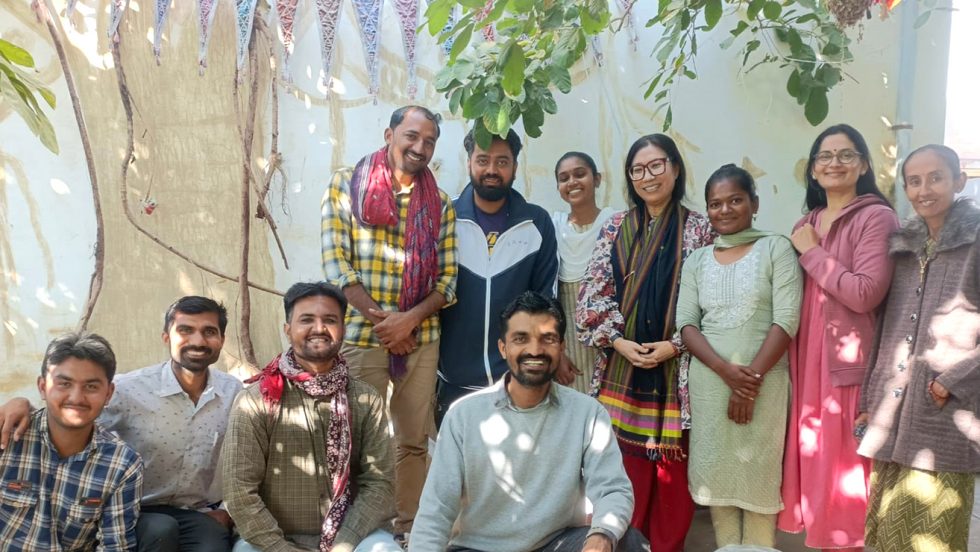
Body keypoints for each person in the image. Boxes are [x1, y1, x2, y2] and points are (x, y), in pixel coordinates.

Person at [410, 291, 649, 552]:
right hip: (478, 548)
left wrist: (601, 536)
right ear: (503, 348)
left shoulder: (587, 414)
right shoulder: (464, 416)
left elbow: (613, 490)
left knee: (628, 543)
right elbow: (436, 510)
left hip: (555, 543)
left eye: (547, 339)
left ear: (561, 347)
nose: (535, 350)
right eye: (521, 339)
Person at [0, 296, 242, 552]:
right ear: (166, 337)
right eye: (185, 330)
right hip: (137, 505)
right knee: (160, 530)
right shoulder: (130, 389)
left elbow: (250, 457)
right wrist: (19, 404)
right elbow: (66, 417)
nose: (197, 341)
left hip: (191, 510)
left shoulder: (234, 393)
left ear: (222, 340)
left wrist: (227, 509)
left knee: (212, 543)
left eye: (209, 332)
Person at [321, 105, 457, 541]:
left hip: (423, 338)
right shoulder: (347, 185)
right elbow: (337, 265)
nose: (420, 147)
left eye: (430, 141)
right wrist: (387, 326)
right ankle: (363, 534)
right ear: (389, 134)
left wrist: (409, 323)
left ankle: (408, 533)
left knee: (412, 442)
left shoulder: (440, 203)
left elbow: (449, 282)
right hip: (363, 337)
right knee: (360, 443)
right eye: (412, 136)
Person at [576, 133, 714, 550]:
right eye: (638, 169)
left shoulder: (700, 229)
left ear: (675, 167)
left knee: (673, 486)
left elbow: (714, 303)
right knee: (622, 477)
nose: (647, 176)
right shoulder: (616, 227)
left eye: (656, 166)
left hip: (681, 374)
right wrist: (619, 342)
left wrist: (675, 345)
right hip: (622, 372)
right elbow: (592, 296)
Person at [778, 123, 900, 550]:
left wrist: (812, 251)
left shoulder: (876, 217)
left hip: (847, 367)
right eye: (824, 156)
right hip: (807, 364)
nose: (834, 163)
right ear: (812, 170)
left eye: (846, 155)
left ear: (864, 164)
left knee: (846, 480)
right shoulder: (806, 222)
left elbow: (866, 293)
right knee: (816, 468)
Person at [857, 144, 979, 551]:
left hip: (946, 411)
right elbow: (886, 326)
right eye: (914, 181)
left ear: (959, 181)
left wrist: (953, 380)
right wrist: (869, 395)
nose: (924, 189)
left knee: (934, 532)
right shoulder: (905, 249)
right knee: (890, 532)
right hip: (893, 410)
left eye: (936, 178)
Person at [676, 165, 803, 548]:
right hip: (711, 386)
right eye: (715, 203)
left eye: (735, 200)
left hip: (764, 384)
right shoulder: (697, 259)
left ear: (754, 203)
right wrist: (725, 372)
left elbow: (787, 319)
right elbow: (685, 325)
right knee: (719, 481)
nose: (725, 210)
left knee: (760, 480)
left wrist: (749, 384)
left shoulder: (776, 247)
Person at [222, 282, 399, 552]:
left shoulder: (365, 399)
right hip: (272, 540)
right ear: (288, 329)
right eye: (306, 320)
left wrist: (343, 543)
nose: (319, 328)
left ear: (342, 329)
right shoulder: (257, 400)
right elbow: (240, 491)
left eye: (330, 320)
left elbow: (380, 483)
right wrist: (281, 548)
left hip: (353, 537)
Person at [437, 128, 559, 424]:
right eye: (483, 160)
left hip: (517, 378)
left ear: (516, 167)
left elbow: (545, 302)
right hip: (454, 379)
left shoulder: (536, 222)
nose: (492, 170)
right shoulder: (445, 218)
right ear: (469, 163)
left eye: (502, 162)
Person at [0, 332, 143, 550]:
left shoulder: (122, 464)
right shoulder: (7, 436)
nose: (76, 398)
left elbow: (115, 546)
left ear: (108, 393)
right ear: (42, 387)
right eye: (64, 384)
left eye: (91, 386)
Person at [551, 151, 616, 393]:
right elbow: (549, 294)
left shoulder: (616, 223)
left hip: (610, 343)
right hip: (568, 345)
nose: (572, 182)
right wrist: (557, 351)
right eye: (564, 178)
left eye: (580, 174)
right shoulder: (553, 227)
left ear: (597, 179)